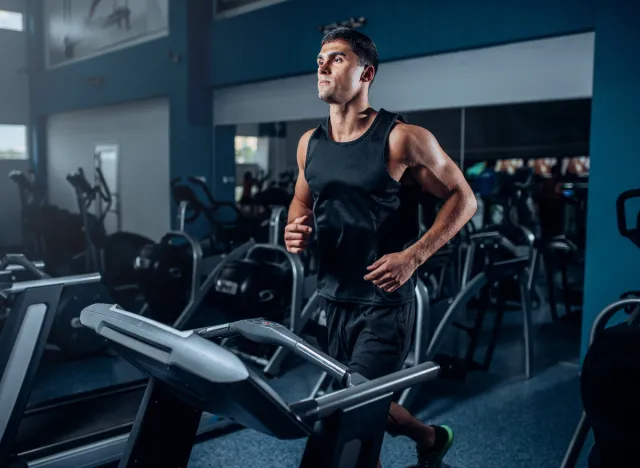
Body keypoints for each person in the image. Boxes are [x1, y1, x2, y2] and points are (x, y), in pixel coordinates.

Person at [284, 27, 477, 468]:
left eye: (336, 58)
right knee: (360, 399)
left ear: (366, 72)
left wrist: (414, 256)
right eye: (320, 59)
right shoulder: (309, 144)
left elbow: (464, 199)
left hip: (382, 304)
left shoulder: (402, 138)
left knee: (348, 414)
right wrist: (295, 227)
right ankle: (429, 437)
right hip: (333, 297)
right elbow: (301, 200)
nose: (322, 65)